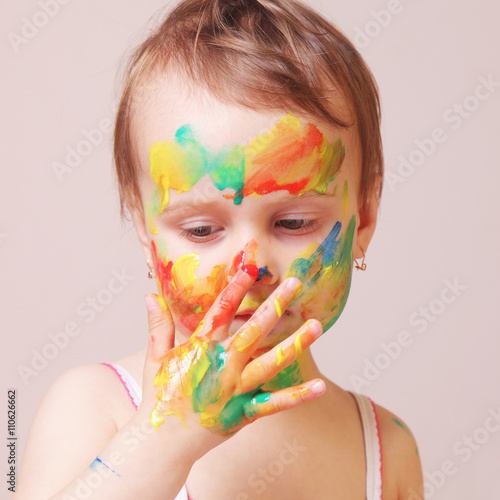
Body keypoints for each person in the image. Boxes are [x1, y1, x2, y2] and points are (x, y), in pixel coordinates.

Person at [14, 0, 423, 498]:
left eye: (293, 222)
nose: (249, 269)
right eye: (203, 231)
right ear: (146, 234)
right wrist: (167, 439)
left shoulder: (385, 447)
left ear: (366, 216)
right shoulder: (93, 408)